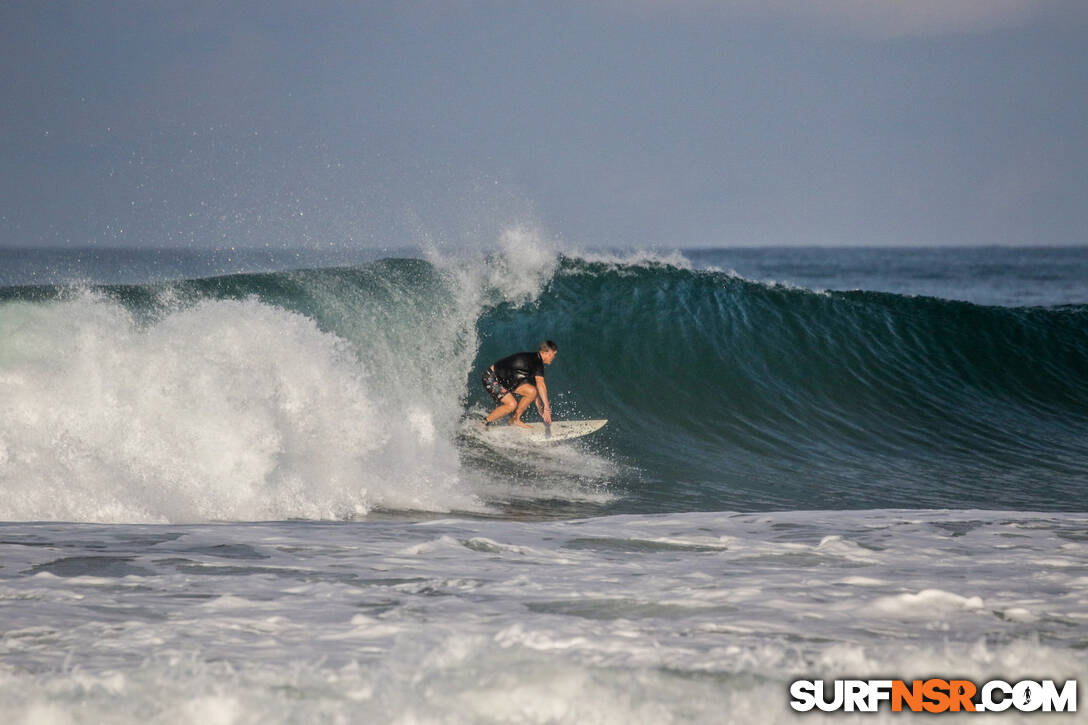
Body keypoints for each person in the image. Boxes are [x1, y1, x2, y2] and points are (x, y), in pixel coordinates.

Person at [482, 340, 558, 429]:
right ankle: (484, 422)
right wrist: (547, 408)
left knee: (532, 391)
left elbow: (536, 389)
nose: (554, 357)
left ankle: (515, 420)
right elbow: (540, 383)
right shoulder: (536, 362)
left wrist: (540, 409)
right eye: (554, 354)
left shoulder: (534, 361)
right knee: (511, 404)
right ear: (549, 353)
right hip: (491, 378)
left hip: (505, 379)